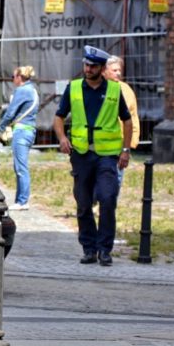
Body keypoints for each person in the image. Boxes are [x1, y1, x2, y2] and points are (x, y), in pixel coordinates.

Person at [53, 45, 133, 267]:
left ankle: (105, 250)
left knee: (108, 199)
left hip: (108, 155)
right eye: (86, 65)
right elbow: (59, 117)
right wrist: (62, 138)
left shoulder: (115, 91)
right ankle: (89, 248)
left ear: (101, 68)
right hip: (80, 154)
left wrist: (125, 150)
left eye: (93, 66)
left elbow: (127, 121)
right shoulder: (74, 88)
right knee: (83, 203)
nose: (88, 69)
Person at [0, 65, 40, 210]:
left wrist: (0, 128)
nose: (12, 79)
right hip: (28, 130)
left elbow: (10, 113)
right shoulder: (32, 89)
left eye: (13, 76)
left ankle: (22, 201)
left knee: (21, 168)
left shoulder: (22, 90)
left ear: (19, 78)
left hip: (21, 131)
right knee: (20, 167)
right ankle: (20, 200)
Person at [104, 55, 140, 187]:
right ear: (104, 70)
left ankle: (108, 205)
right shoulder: (97, 88)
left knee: (116, 177)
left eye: (119, 70)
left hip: (119, 141)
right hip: (98, 142)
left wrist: (131, 142)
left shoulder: (126, 90)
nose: (118, 73)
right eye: (114, 70)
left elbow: (133, 117)